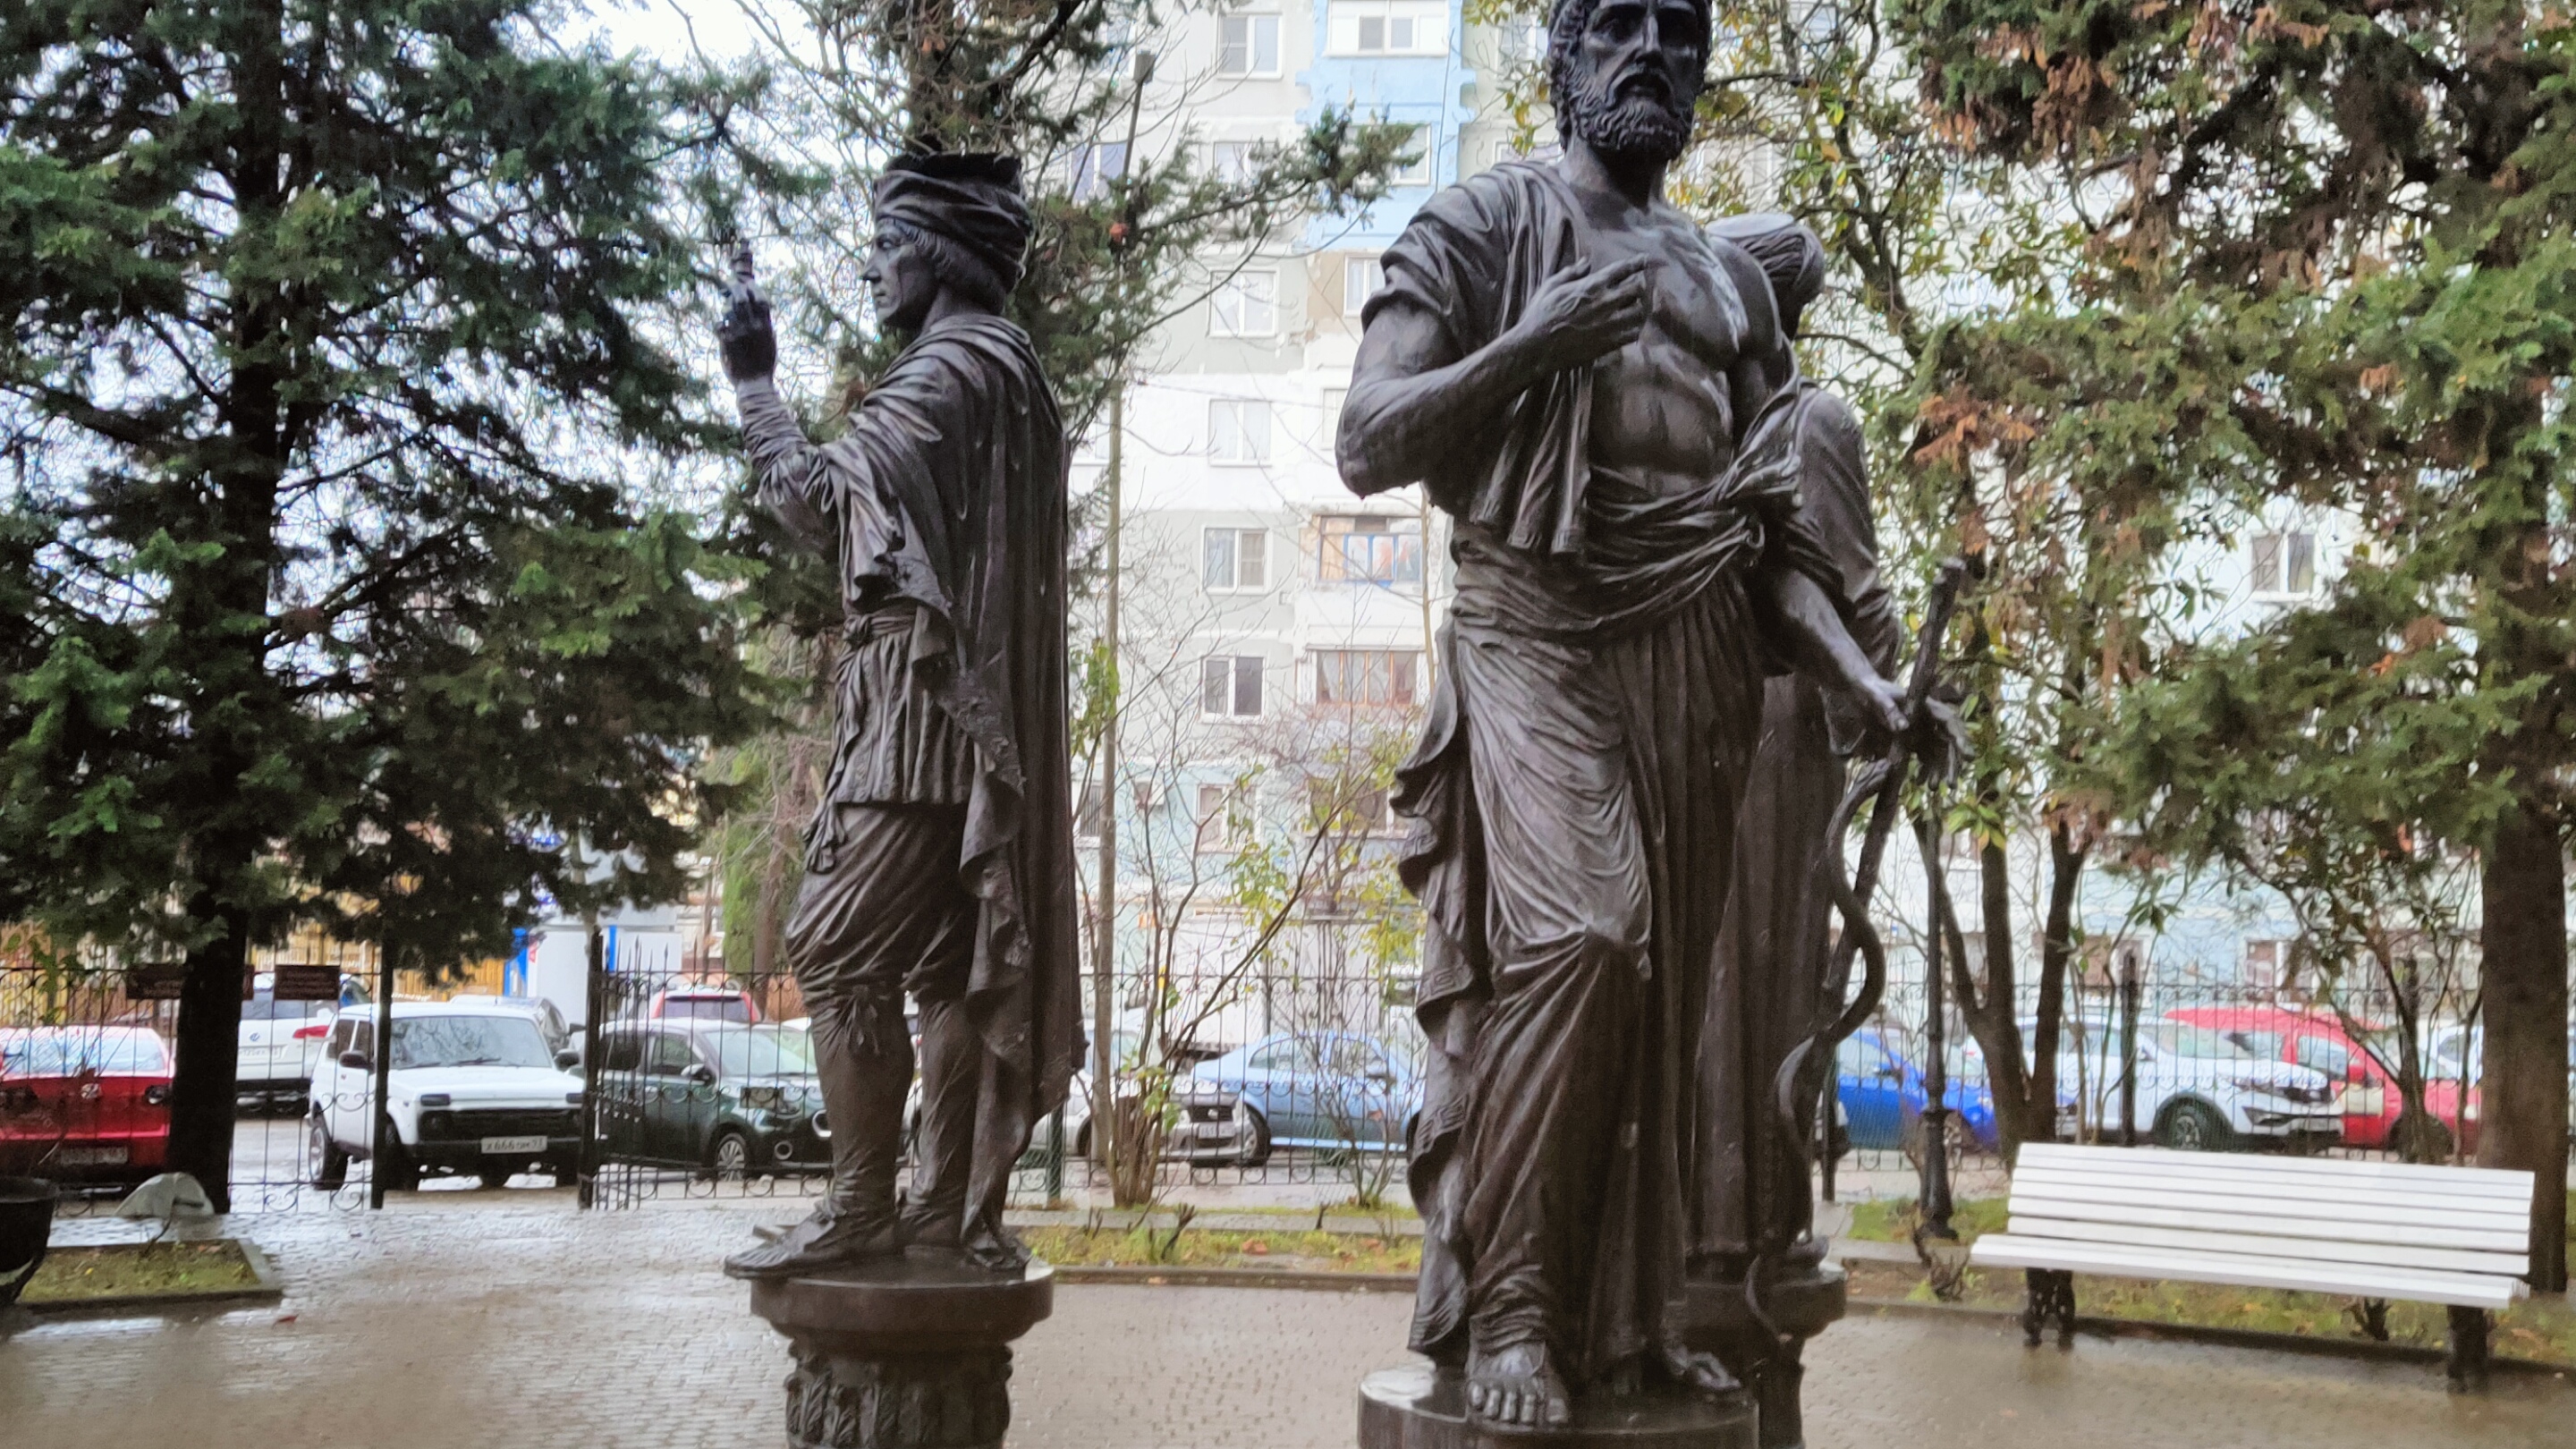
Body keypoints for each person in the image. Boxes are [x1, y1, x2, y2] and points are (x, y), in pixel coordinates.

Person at [1335, 0, 1916, 1427]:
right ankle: (1512, 1313)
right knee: (1586, 943)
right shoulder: (1484, 224)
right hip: (1538, 631)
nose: (1646, 49)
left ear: (1701, 71)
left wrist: (1860, 682)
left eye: (1676, 31)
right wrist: (1525, 349)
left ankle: (1630, 1328)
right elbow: (1366, 439)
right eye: (1613, 26)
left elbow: (1767, 541)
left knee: (1661, 1010)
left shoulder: (1729, 285)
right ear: (1563, 61)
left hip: (1695, 656)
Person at [712, 154, 1081, 1278]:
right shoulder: (1015, 377)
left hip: (918, 727)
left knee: (832, 946)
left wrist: (755, 383)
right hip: (967, 731)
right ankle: (941, 1210)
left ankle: (864, 1204)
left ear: (940, 255)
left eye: (886, 247)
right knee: (952, 964)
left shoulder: (943, 375)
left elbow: (813, 504)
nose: (873, 269)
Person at [1692, 214, 1902, 1275]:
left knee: (1728, 985)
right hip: (1761, 732)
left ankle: (1715, 1228)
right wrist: (1885, 686)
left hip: (1719, 721)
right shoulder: (1799, 420)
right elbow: (1859, 599)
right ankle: (1736, 1230)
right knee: (1750, 988)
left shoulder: (1710, 420)